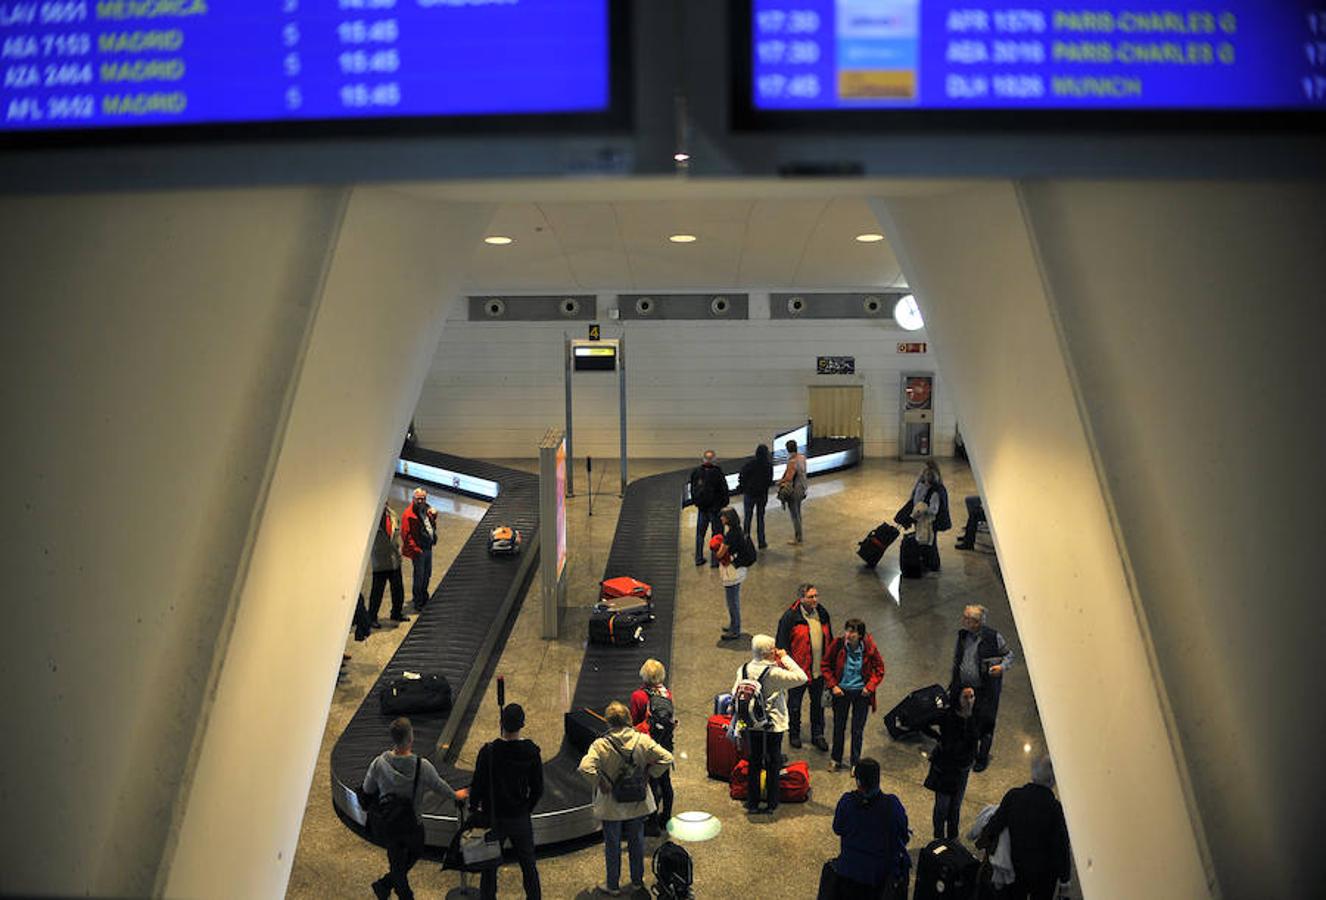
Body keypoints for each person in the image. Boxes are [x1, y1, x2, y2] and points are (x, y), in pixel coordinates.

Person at [362, 717, 467, 900]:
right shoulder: (421, 766)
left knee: (396, 860)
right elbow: (438, 785)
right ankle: (401, 893)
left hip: (389, 823)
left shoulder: (379, 763)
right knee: (415, 852)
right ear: (411, 737)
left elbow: (367, 789)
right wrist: (455, 795)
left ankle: (385, 884)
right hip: (412, 824)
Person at [578, 701, 674, 896]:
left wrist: (600, 782)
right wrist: (650, 773)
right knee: (636, 841)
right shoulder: (642, 740)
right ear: (628, 719)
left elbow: (585, 767)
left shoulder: (601, 744)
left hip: (611, 804)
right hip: (637, 800)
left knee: (612, 845)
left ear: (608, 722)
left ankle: (613, 885)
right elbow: (667, 757)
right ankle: (637, 881)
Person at [470, 703, 544, 900]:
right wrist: (526, 808)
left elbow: (478, 784)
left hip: (493, 817)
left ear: (501, 723)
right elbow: (538, 788)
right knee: (528, 865)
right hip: (519, 816)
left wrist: (474, 808)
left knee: (489, 867)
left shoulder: (489, 751)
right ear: (522, 724)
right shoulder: (531, 752)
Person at [978, 755, 1072, 900]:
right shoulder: (1054, 809)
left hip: (1016, 868)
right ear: (1052, 780)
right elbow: (1061, 847)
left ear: (1033, 775)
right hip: (1044, 876)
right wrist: (1065, 879)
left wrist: (983, 841)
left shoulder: (1013, 796)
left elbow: (995, 825)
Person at [731, 634, 807, 814]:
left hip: (751, 722)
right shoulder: (774, 673)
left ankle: (753, 801)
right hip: (773, 723)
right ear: (768, 652)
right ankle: (772, 802)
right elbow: (802, 677)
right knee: (773, 761)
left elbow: (735, 692)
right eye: (773, 648)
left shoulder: (743, 669)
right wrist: (785, 657)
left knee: (755, 760)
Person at [823, 758, 910, 899]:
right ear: (878, 779)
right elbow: (903, 836)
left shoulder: (847, 802)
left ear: (858, 781)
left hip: (849, 873)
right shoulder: (892, 805)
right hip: (879, 878)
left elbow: (837, 828)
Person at [949, 604, 1014, 772]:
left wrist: (1002, 667)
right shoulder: (963, 636)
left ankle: (982, 757)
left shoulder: (993, 637)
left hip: (986, 690)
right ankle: (969, 752)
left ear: (977, 622)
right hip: (965, 686)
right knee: (966, 720)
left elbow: (1009, 655)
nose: (963, 621)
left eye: (967, 619)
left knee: (985, 722)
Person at [821, 617, 886, 772]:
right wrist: (833, 685)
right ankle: (836, 759)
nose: (848, 635)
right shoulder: (837, 644)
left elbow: (879, 669)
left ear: (860, 635)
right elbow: (825, 665)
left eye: (853, 632)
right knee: (839, 727)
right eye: (847, 630)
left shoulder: (869, 648)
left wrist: (869, 687)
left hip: (861, 694)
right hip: (841, 693)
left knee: (857, 730)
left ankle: (855, 763)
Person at [776, 583, 832, 751]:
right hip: (798, 672)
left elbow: (830, 639)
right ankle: (794, 733)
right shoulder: (790, 617)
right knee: (794, 704)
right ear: (801, 598)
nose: (815, 599)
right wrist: (786, 669)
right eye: (811, 597)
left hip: (818, 670)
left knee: (818, 705)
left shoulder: (822, 613)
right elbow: (781, 646)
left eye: (816, 596)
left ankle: (818, 734)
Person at [922, 687, 980, 840]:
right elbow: (923, 722)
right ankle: (939, 839)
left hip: (962, 769)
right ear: (958, 699)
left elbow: (976, 740)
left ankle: (952, 839)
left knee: (955, 807)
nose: (969, 701)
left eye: (972, 697)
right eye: (965, 697)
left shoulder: (975, 717)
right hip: (945, 767)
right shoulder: (947, 715)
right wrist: (939, 738)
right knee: (942, 807)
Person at [629, 659, 676, 833]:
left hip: (648, 744)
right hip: (665, 743)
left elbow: (634, 721)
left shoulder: (638, 696)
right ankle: (667, 817)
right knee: (665, 781)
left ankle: (652, 822)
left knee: (651, 783)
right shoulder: (666, 693)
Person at [711, 507, 752, 640]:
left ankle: (735, 630)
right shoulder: (738, 530)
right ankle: (734, 624)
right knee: (733, 600)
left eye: (723, 516)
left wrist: (715, 548)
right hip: (738, 569)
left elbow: (720, 554)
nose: (721, 519)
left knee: (732, 602)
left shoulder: (730, 535)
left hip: (732, 572)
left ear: (728, 519)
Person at [368, 502, 408, 625]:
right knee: (377, 592)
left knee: (398, 590)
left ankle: (396, 613)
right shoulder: (371, 519)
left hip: (394, 559)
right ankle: (372, 618)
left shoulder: (392, 514)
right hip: (380, 561)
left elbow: (396, 531)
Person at [689, 449, 730, 567]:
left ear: (703, 459)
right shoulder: (717, 472)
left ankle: (698, 558)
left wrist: (697, 502)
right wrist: (724, 504)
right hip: (715, 509)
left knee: (700, 534)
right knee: (716, 534)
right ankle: (715, 561)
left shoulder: (696, 472)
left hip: (702, 508)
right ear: (714, 460)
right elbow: (724, 490)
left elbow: (692, 488)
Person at [400, 487, 438, 610]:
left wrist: (434, 515)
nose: (421, 501)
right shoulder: (408, 514)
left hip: (428, 546)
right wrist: (415, 549)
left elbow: (429, 524)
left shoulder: (426, 508)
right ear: (413, 499)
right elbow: (406, 534)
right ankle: (418, 601)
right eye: (418, 499)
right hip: (419, 549)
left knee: (427, 574)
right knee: (419, 576)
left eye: (423, 498)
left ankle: (424, 596)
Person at [738, 443, 774, 550]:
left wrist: (744, 487)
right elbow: (769, 481)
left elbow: (742, 476)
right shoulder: (768, 466)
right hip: (762, 496)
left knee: (747, 518)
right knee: (760, 518)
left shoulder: (750, 464)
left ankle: (745, 540)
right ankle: (761, 542)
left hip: (749, 495)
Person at [777, 438, 808, 544]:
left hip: (794, 490)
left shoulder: (792, 461)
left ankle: (798, 538)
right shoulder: (802, 458)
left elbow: (789, 478)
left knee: (794, 515)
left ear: (787, 449)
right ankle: (800, 535)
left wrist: (779, 481)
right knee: (798, 513)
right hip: (802, 488)